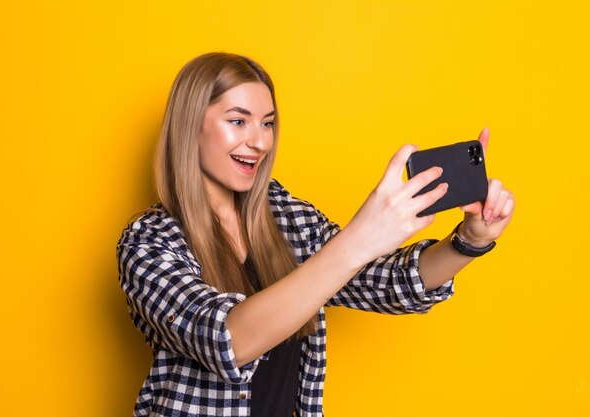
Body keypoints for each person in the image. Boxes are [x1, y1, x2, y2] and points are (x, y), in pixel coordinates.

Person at [116, 52, 514, 417]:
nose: (259, 141)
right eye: (238, 121)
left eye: (268, 123)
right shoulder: (148, 243)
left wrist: (469, 241)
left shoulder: (284, 214)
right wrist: (358, 240)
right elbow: (227, 341)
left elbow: (379, 283)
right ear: (190, 126)